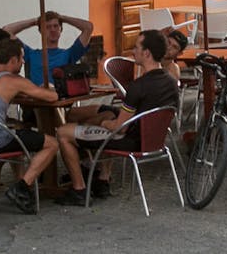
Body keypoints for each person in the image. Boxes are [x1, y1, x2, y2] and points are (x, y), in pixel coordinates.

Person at [54, 29, 178, 204]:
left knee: (63, 132)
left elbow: (120, 127)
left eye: (136, 48)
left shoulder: (138, 87)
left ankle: (79, 189)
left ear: (147, 53)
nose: (133, 52)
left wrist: (103, 122)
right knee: (109, 113)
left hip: (130, 141)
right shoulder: (172, 81)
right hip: (155, 141)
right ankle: (101, 178)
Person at [0, 38, 59, 215]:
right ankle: (22, 187)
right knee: (52, 143)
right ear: (13, 60)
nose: (23, 62)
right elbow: (51, 98)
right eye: (21, 58)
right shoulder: (13, 80)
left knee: (22, 128)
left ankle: (23, 181)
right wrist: (52, 87)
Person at [2, 11, 93, 87]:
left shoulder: (69, 54)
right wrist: (34, 21)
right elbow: (6, 31)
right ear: (41, 31)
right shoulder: (30, 54)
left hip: (60, 103)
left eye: (56, 26)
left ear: (61, 29)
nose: (52, 30)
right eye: (47, 27)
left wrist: (63, 18)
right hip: (36, 102)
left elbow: (88, 27)